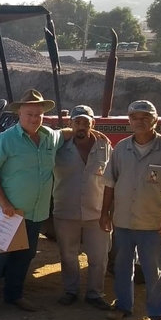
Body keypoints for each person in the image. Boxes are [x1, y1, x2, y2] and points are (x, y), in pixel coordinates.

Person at [0, 89, 70, 319]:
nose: (34, 119)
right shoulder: (5, 141)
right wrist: (3, 202)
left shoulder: (50, 137)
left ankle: (14, 295)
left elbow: (65, 133)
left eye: (38, 114)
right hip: (9, 211)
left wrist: (88, 130)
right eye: (29, 114)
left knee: (25, 256)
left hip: (35, 212)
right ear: (19, 113)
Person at [99, 100, 161, 320]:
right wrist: (105, 213)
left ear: (155, 121)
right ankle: (123, 306)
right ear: (129, 121)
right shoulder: (121, 149)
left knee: (154, 270)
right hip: (124, 221)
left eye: (145, 117)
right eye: (135, 118)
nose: (139, 122)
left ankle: (159, 314)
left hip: (153, 223)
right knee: (122, 266)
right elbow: (109, 183)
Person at [52, 105, 112, 309]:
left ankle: (95, 294)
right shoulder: (59, 146)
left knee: (99, 257)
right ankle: (71, 291)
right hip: (66, 210)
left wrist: (109, 212)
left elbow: (113, 178)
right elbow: (45, 138)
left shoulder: (104, 146)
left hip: (96, 212)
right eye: (77, 122)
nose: (82, 126)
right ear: (70, 124)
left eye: (86, 122)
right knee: (68, 254)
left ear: (92, 124)